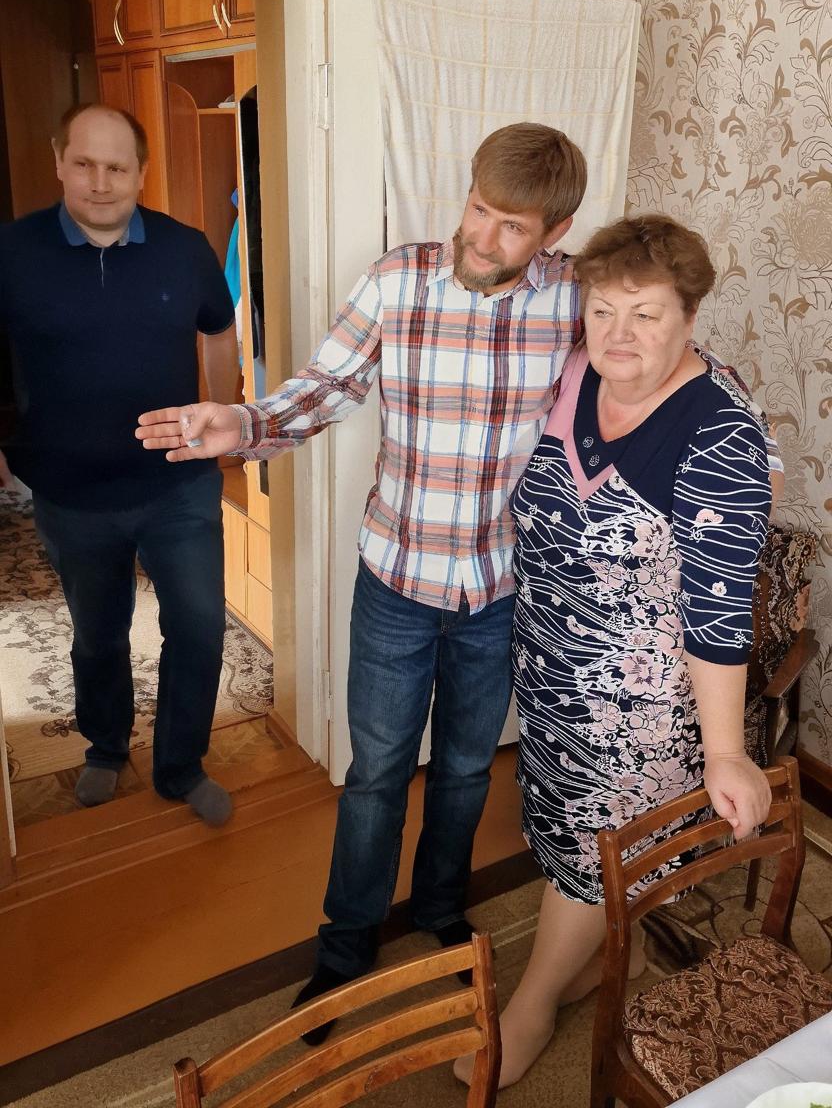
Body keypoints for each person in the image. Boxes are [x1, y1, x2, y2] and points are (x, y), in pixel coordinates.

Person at [134, 125, 781, 1039]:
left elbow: (673, 363)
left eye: (511, 226)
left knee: (468, 770)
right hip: (398, 579)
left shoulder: (575, 301)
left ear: (554, 233)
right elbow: (323, 387)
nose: (482, 237)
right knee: (376, 776)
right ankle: (346, 946)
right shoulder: (400, 279)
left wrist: (762, 449)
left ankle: (441, 915)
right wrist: (240, 423)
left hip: (497, 592)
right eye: (478, 208)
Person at [455, 214, 774, 1090]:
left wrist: (726, 752)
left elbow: (717, 612)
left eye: (646, 314)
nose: (619, 334)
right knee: (564, 835)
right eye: (603, 310)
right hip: (552, 674)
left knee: (599, 854)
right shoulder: (570, 377)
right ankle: (599, 958)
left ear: (689, 318)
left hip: (642, 709)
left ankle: (533, 1001)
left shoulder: (719, 433)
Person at [0, 104, 240, 827]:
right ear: (59, 162)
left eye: (117, 167)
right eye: (84, 164)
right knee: (97, 632)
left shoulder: (185, 248)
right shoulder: (13, 252)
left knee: (198, 626)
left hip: (178, 485)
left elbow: (220, 333)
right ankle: (105, 745)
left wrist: (222, 424)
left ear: (141, 172)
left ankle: (181, 764)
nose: (100, 182)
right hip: (72, 492)